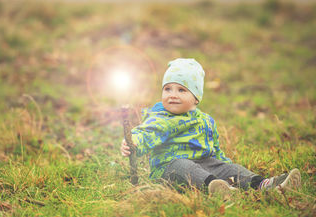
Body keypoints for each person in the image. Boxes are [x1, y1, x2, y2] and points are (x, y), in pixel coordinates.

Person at [120, 58, 301, 195]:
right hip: (169, 168)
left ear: (196, 97)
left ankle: (265, 185)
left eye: (181, 90)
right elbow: (146, 132)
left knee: (231, 168)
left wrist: (224, 165)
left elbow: (215, 151)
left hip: (205, 164)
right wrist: (133, 141)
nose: (172, 95)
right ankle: (217, 188)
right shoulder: (161, 117)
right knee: (184, 166)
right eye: (168, 89)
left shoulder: (206, 121)